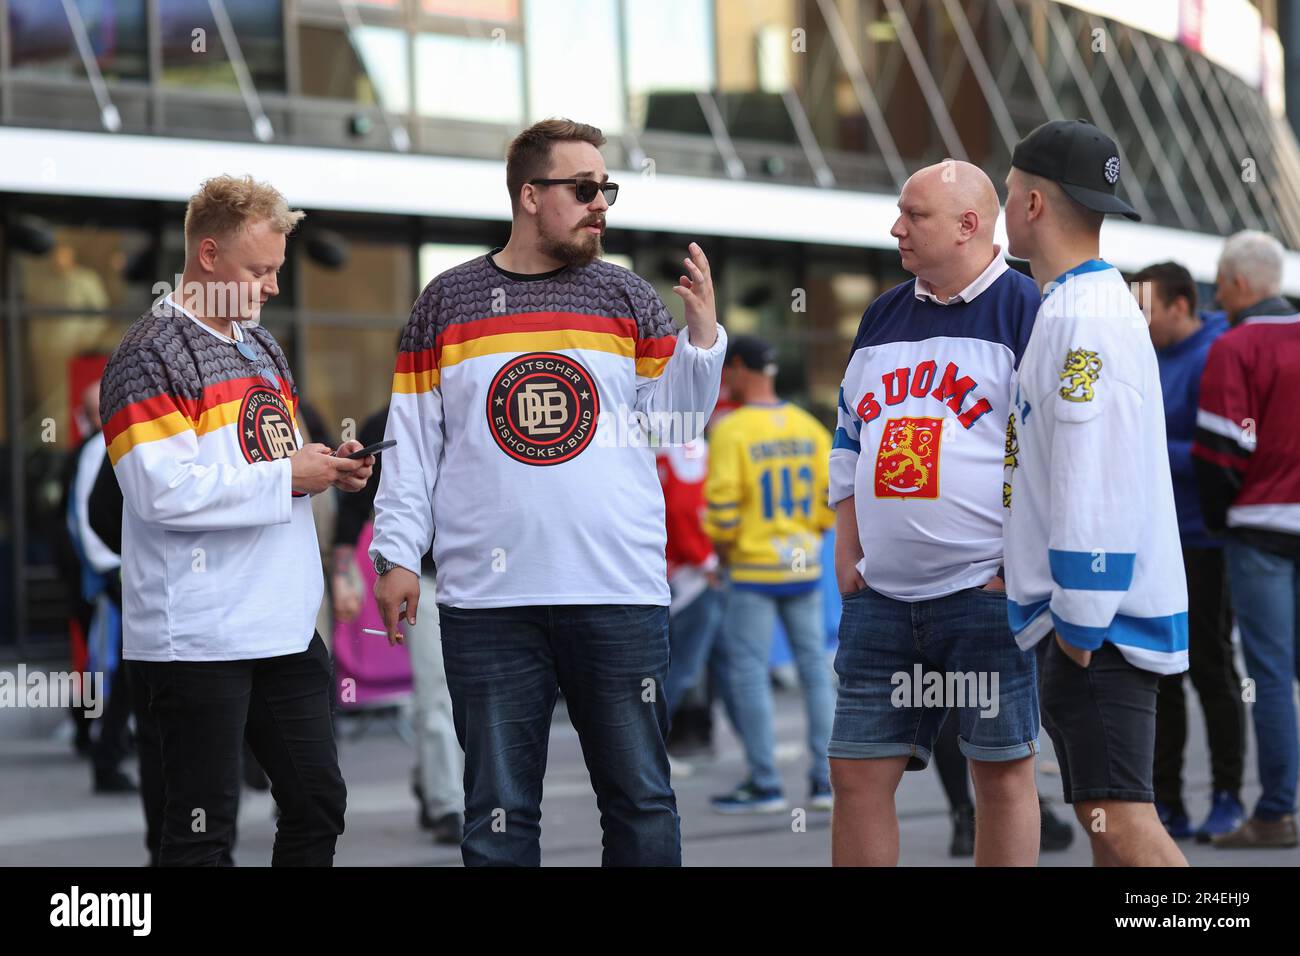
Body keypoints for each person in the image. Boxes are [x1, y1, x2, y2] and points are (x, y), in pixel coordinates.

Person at [370, 118, 727, 866]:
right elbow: (412, 445)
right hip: (487, 603)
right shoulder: (448, 303)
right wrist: (396, 556)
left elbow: (676, 425)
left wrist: (701, 342)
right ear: (530, 196)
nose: (601, 203)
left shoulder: (627, 297)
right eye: (584, 188)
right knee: (497, 814)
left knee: (641, 803)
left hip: (617, 590)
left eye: (607, 189)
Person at [99, 174, 374, 866]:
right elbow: (158, 491)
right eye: (261, 270)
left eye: (278, 269)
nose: (273, 287)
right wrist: (290, 477)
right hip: (196, 635)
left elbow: (260, 455)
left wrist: (321, 466)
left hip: (281, 624)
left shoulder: (260, 346)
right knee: (198, 834)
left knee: (318, 803)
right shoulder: (148, 353)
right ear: (210, 255)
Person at [829, 160, 1041, 866]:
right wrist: (846, 551)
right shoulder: (882, 313)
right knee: (855, 773)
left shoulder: (1026, 309)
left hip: (983, 592)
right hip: (880, 594)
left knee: (1002, 772)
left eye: (913, 215)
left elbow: (1051, 452)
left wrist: (1022, 567)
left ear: (969, 225)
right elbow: (848, 440)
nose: (897, 228)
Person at [1002, 119, 1189, 866]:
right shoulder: (1082, 304)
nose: (1005, 205)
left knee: (1120, 817)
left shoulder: (1082, 317)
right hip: (1097, 617)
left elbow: (1092, 470)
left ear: (1036, 204)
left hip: (1097, 622)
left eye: (1010, 192)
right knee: (1106, 820)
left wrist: (1079, 618)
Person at [1130, 261, 1245, 842]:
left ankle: (1228, 796)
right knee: (1160, 672)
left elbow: (1220, 447)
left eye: (1146, 309)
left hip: (1203, 540)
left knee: (1211, 669)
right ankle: (1166, 801)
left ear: (1180, 305)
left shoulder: (1216, 353)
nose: (1138, 320)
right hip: (1155, 536)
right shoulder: (1144, 355)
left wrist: (1144, 448)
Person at [1193, 230, 1300, 849]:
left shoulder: (1236, 346)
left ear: (1236, 284)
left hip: (1260, 529)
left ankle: (1277, 812)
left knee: (1270, 673)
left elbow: (1222, 450)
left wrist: (1219, 518)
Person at [702, 334, 836, 814]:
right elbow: (830, 504)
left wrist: (723, 555)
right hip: (803, 564)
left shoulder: (732, 430)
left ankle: (765, 784)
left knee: (749, 674)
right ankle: (824, 782)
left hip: (752, 567)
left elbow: (721, 508)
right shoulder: (808, 427)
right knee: (816, 671)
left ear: (737, 366)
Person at [333, 404, 465, 846]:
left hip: (489, 582)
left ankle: (435, 781)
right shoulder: (385, 423)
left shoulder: (485, 401)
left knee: (475, 696)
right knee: (438, 693)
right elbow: (353, 508)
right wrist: (342, 572)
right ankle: (449, 802)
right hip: (424, 581)